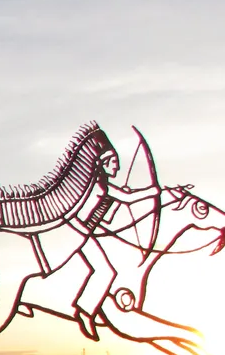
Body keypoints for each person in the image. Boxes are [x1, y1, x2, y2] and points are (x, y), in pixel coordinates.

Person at [68, 140, 160, 341]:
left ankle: (88, 309)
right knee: (105, 271)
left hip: (84, 232)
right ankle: (85, 312)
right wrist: (154, 191)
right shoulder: (100, 185)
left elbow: (106, 217)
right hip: (77, 233)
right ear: (104, 164)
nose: (117, 167)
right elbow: (128, 198)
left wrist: (118, 202)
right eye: (114, 163)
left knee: (106, 271)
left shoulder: (103, 187)